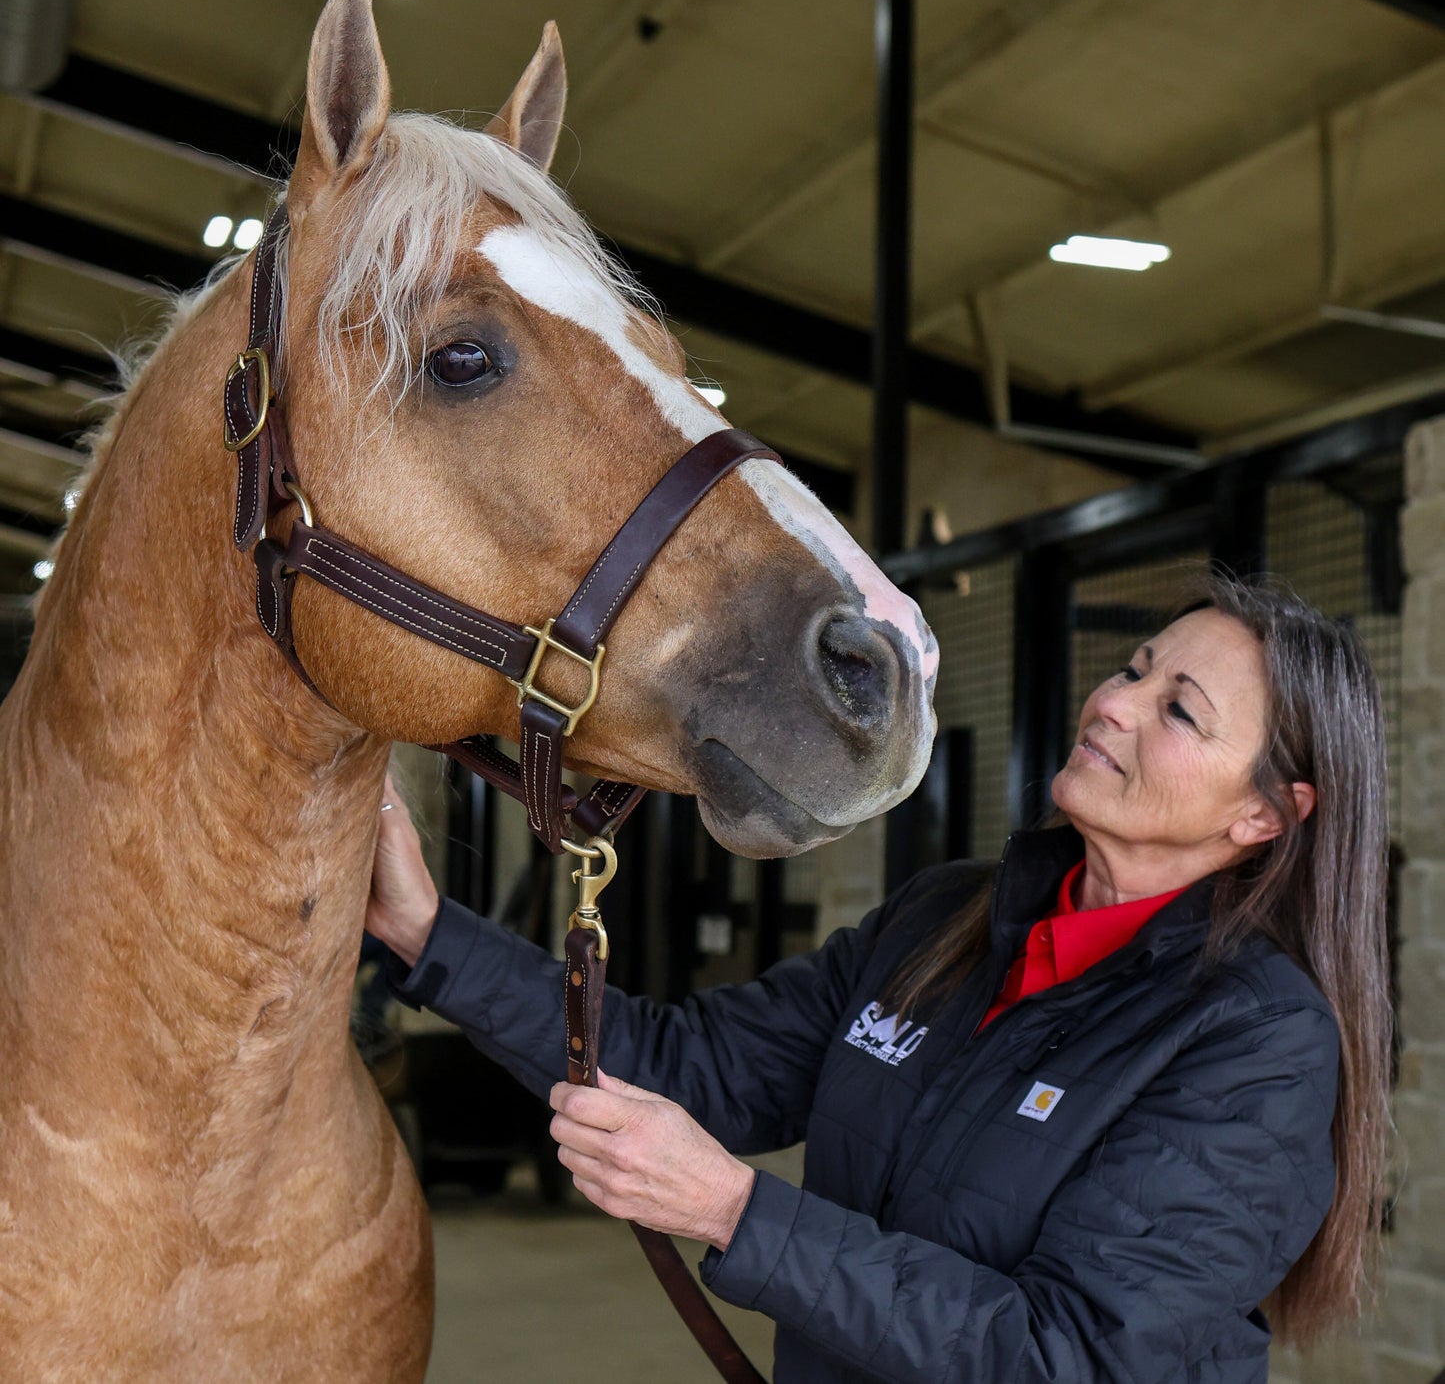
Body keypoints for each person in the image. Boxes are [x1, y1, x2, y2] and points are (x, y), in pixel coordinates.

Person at [367, 576, 1392, 1383]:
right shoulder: (944, 917)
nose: (1113, 703)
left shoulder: (1253, 1046)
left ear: (1262, 813)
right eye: (1131, 667)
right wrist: (424, 934)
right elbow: (685, 1065)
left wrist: (735, 1208)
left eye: (1177, 709)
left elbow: (1070, 1354)